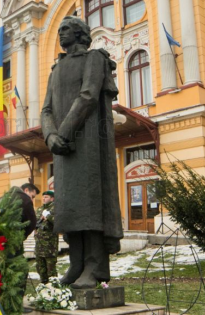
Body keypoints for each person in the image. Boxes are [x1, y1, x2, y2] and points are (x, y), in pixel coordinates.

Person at [41, 16, 123, 289]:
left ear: (80, 33)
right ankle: (76, 264)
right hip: (62, 149)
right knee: (69, 207)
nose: (61, 34)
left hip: (88, 142)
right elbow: (46, 110)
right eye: (60, 30)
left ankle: (95, 267)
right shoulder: (56, 69)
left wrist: (62, 133)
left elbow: (88, 95)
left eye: (66, 29)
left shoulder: (94, 59)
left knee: (90, 205)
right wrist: (50, 136)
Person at [11, 184, 38, 314]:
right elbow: (32, 222)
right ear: (26, 190)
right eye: (32, 196)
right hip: (14, 243)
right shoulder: (25, 200)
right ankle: (16, 304)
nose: (32, 199)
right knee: (20, 271)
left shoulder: (4, 198)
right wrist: (22, 236)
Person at [35, 190, 58, 283]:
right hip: (39, 244)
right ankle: (44, 289)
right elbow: (35, 223)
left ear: (52, 198)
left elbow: (57, 222)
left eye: (46, 197)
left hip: (50, 245)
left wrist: (48, 216)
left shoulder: (55, 209)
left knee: (51, 270)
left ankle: (54, 290)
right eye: (43, 197)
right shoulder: (40, 209)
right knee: (41, 269)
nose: (44, 199)